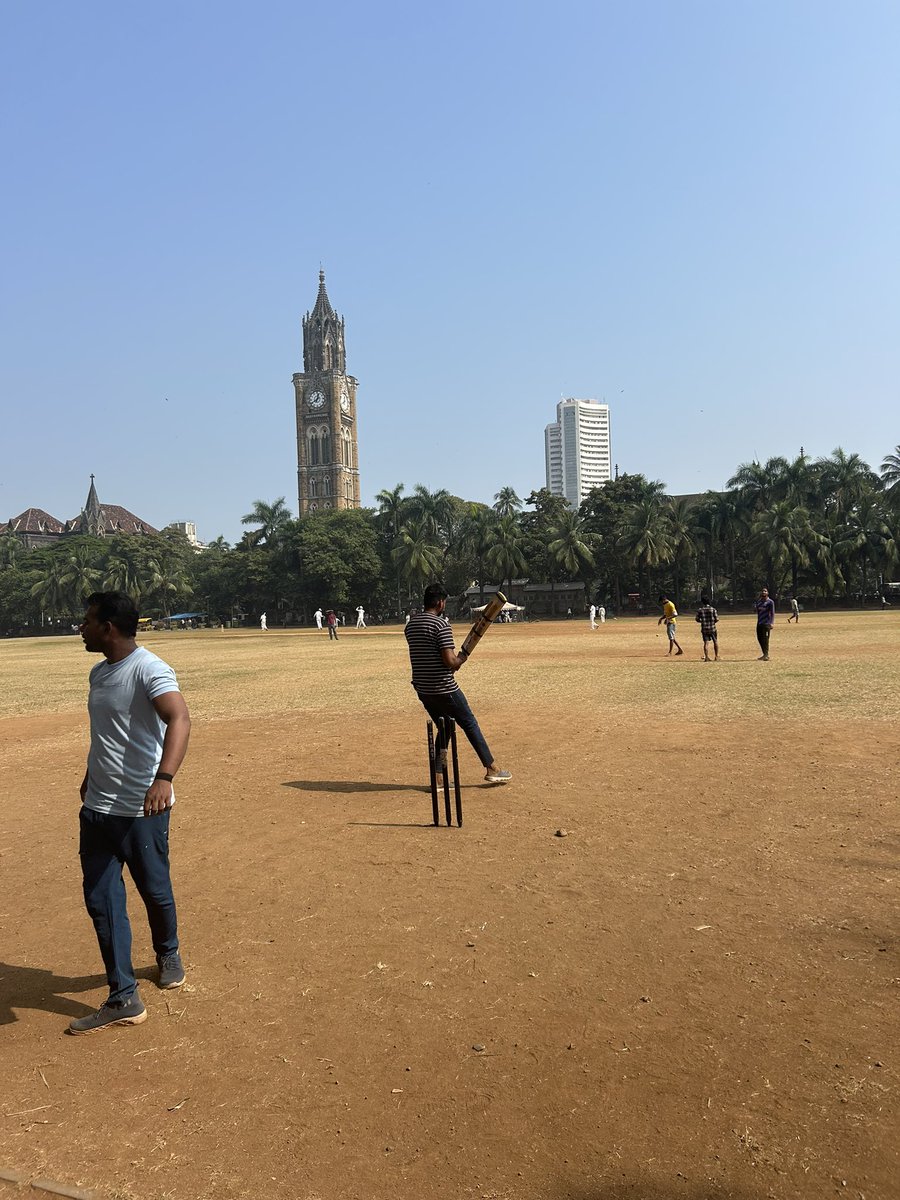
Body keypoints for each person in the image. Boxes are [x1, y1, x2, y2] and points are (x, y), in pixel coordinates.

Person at [69, 592, 191, 1034]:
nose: (80, 627)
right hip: (97, 806)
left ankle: (168, 951)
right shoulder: (98, 673)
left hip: (141, 808)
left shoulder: (150, 669)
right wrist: (90, 771)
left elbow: (179, 718)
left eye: (87, 621)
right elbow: (108, 732)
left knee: (154, 889)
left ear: (110, 628)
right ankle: (123, 995)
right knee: (102, 901)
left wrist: (165, 778)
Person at [405, 584, 511, 784]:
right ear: (440, 602)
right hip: (444, 689)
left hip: (423, 689)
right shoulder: (440, 625)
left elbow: (426, 656)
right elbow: (450, 661)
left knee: (444, 728)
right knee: (469, 723)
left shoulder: (410, 625)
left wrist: (453, 662)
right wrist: (461, 658)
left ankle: (438, 778)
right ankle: (491, 767)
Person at [695, 593, 719, 661]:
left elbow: (697, 619)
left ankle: (707, 657)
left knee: (706, 643)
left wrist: (702, 622)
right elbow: (717, 619)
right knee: (715, 641)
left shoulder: (700, 610)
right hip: (712, 628)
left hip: (704, 628)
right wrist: (712, 622)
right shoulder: (713, 609)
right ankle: (716, 656)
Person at [754, 586, 775, 660]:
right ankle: (764, 654)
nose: (763, 592)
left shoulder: (770, 602)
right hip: (759, 623)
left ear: (767, 593)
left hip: (766, 623)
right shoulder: (759, 602)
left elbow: (772, 613)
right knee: (760, 639)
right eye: (762, 591)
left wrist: (772, 623)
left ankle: (766, 654)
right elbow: (756, 611)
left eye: (765, 591)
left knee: (765, 639)